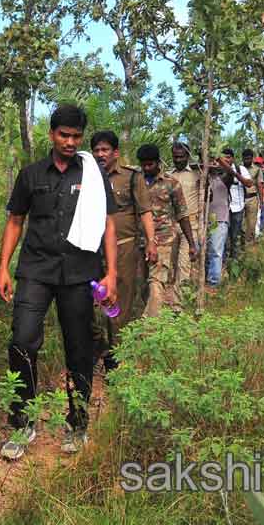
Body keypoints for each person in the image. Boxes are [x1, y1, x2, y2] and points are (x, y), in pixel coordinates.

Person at [0, 104, 118, 459]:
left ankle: (77, 422)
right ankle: (23, 422)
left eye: (76, 136)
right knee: (21, 342)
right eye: (64, 135)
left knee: (79, 348)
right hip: (36, 269)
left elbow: (108, 224)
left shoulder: (94, 176)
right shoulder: (31, 174)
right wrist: (3, 267)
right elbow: (16, 220)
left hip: (80, 274)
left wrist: (111, 274)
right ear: (51, 134)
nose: (70, 141)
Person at [90, 131, 156, 375]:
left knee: (120, 303)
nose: (100, 154)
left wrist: (151, 241)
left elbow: (145, 211)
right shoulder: (86, 177)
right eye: (96, 150)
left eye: (105, 150)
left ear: (115, 153)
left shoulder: (131, 177)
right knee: (90, 305)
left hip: (124, 247)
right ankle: (100, 348)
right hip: (91, 251)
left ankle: (116, 360)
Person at [139, 144, 196, 316]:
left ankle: (150, 328)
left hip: (164, 241)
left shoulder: (172, 184)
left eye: (150, 164)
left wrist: (192, 243)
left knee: (157, 282)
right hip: (139, 241)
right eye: (144, 165)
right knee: (142, 285)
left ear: (158, 162)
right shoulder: (136, 182)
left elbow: (182, 215)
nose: (147, 168)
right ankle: (148, 316)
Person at [169, 142, 202, 306]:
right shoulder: (168, 176)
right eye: (175, 157)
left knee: (184, 264)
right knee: (170, 265)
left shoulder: (197, 174)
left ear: (187, 156)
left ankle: (178, 305)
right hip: (172, 225)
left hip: (192, 225)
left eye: (182, 157)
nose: (178, 160)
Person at [205, 156, 235, 290]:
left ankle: (213, 283)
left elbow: (231, 173)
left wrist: (218, 160)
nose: (212, 164)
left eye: (214, 162)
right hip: (204, 218)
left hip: (218, 218)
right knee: (204, 250)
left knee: (216, 251)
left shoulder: (223, 178)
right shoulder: (201, 178)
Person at [225, 147, 254, 261]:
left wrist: (234, 174)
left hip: (237, 207)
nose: (226, 160)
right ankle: (225, 260)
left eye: (228, 157)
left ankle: (235, 259)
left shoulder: (240, 169)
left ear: (233, 158)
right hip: (223, 208)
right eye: (224, 157)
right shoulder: (217, 169)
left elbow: (249, 183)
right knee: (224, 235)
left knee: (235, 234)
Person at [240, 149, 261, 246]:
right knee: (241, 223)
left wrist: (261, 200)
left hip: (252, 198)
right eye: (245, 159)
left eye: (249, 159)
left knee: (252, 222)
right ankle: (241, 243)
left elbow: (259, 185)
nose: (247, 161)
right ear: (242, 158)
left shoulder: (257, 169)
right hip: (240, 198)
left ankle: (250, 243)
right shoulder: (238, 168)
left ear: (252, 158)